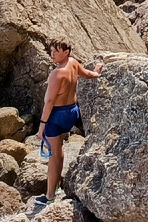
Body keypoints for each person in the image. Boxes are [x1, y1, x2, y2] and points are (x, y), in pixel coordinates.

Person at [31, 39, 103, 205]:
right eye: (51, 51)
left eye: (56, 51)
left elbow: (49, 102)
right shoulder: (73, 63)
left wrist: (41, 126)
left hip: (56, 116)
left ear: (66, 52)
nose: (52, 54)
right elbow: (88, 74)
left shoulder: (57, 73)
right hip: (71, 112)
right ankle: (56, 186)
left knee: (53, 155)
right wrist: (97, 71)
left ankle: (49, 196)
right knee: (59, 149)